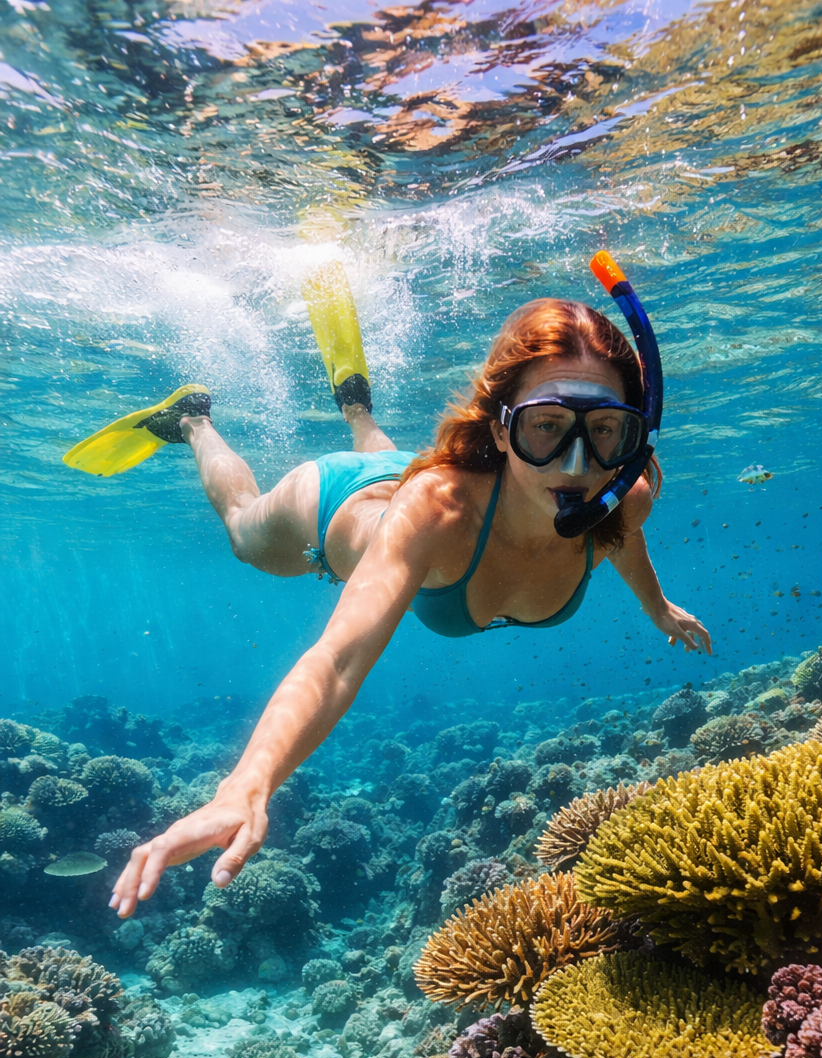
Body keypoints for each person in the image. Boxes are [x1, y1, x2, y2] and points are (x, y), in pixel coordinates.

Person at [63, 259, 711, 917]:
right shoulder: (439, 511)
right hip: (336, 505)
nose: (576, 466)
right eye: (545, 425)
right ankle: (194, 420)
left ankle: (356, 404)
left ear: (631, 435)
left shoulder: (622, 497)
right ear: (499, 428)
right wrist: (247, 784)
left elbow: (621, 536)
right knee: (241, 534)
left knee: (399, 460)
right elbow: (338, 660)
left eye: (604, 430)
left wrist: (655, 606)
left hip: (410, 475)